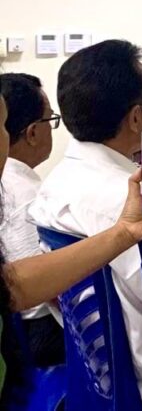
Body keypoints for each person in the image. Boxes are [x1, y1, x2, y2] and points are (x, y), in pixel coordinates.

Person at [0, 74, 142, 406]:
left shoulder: (57, 181)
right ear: (136, 116)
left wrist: (123, 233)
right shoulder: (115, 194)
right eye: (1, 126)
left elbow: (13, 286)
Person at [0, 73, 64, 367]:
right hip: (37, 334)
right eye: (50, 120)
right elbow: (42, 292)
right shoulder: (25, 196)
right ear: (33, 132)